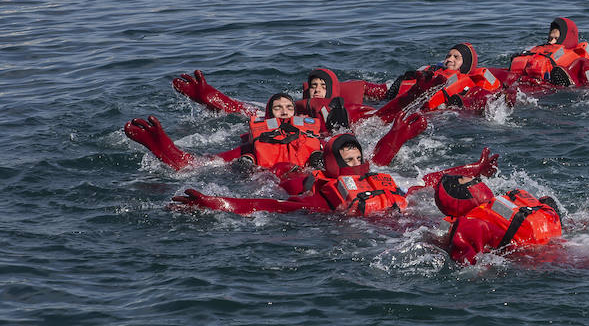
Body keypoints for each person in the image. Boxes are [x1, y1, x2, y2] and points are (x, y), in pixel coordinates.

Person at [173, 129, 499, 220]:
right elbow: (272, 206)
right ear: (330, 163)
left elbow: (426, 183)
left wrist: (472, 170)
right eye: (348, 159)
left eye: (359, 157)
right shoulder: (321, 193)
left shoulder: (381, 177)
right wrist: (218, 204)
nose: (356, 164)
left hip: (406, 220)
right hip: (375, 236)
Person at [123, 94, 418, 176]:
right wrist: (159, 143)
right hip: (267, 181)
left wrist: (397, 136)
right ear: (267, 115)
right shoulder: (253, 146)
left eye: (289, 107)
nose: (284, 111)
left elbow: (365, 161)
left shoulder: (318, 140)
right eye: (277, 108)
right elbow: (191, 165)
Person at [433, 169, 563, 264]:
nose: (475, 180)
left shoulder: (483, 214)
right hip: (543, 249)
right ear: (458, 197)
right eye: (465, 181)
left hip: (541, 250)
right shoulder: (468, 224)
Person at [172, 66, 384, 124]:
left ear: (333, 90)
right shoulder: (290, 109)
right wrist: (210, 96)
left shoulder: (349, 112)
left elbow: (387, 115)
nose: (317, 89)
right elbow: (244, 111)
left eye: (322, 85)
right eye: (313, 85)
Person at [373, 43, 508, 120]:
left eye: (456, 57)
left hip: (440, 117)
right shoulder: (431, 71)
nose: (450, 59)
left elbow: (481, 100)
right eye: (448, 56)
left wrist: (461, 102)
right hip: (403, 106)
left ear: (466, 64)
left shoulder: (471, 86)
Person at [506, 17, 589, 87]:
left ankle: (569, 81)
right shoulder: (540, 49)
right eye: (550, 38)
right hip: (531, 80)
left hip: (560, 80)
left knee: (582, 63)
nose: (551, 42)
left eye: (556, 39)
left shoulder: (578, 56)